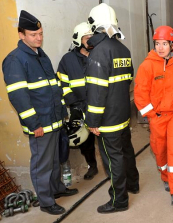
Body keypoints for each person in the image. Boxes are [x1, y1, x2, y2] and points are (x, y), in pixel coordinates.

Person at [2, 10, 78, 215]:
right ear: (21, 35)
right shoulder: (15, 60)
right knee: (42, 164)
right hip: (40, 124)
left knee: (54, 160)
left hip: (53, 119)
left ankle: (57, 189)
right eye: (33, 34)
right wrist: (33, 124)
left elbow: (53, 87)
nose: (39, 38)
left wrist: (62, 112)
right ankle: (46, 201)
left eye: (41, 34)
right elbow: (19, 98)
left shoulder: (41, 56)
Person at [85, 3, 139, 214]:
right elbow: (127, 81)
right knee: (126, 151)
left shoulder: (98, 53)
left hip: (107, 120)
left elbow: (97, 93)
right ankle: (133, 185)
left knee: (113, 159)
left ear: (94, 26)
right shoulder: (123, 49)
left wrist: (93, 122)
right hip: (123, 114)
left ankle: (119, 201)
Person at [134, 25, 173, 206]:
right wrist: (152, 115)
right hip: (158, 117)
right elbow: (140, 94)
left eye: (164, 44)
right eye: (157, 44)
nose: (160, 48)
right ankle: (165, 176)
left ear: (172, 45)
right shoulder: (147, 65)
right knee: (160, 151)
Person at [57, 22, 98, 180]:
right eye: (87, 38)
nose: (91, 41)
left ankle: (112, 169)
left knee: (106, 140)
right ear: (78, 40)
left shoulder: (100, 55)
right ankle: (92, 165)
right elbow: (62, 84)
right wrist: (74, 106)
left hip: (100, 106)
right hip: (80, 107)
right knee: (86, 141)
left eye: (92, 38)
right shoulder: (67, 60)